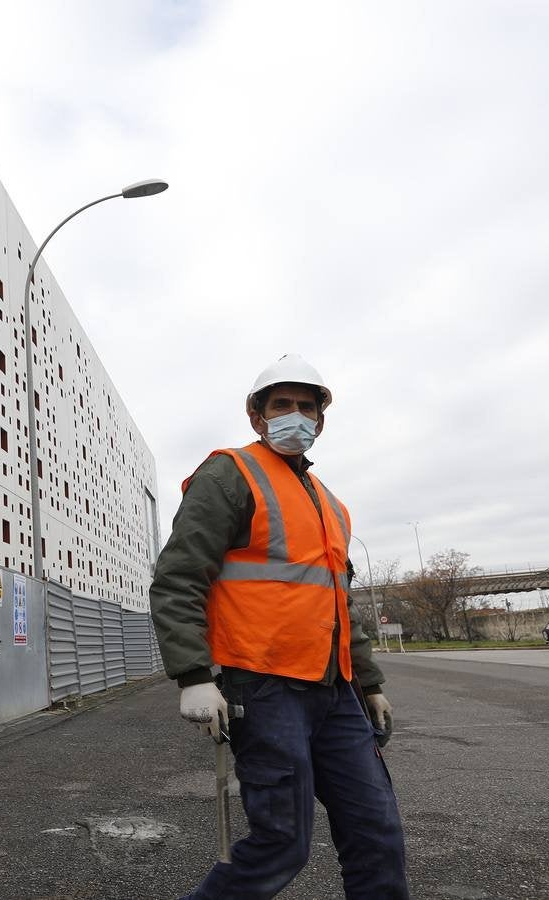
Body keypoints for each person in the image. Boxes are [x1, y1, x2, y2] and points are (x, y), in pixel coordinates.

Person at [150, 354, 409, 899]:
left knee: (377, 832)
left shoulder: (329, 504)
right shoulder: (230, 474)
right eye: (282, 405)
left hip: (336, 693)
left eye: (306, 407)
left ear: (321, 419)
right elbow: (178, 578)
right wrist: (193, 675)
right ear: (257, 417)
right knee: (281, 844)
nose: (296, 416)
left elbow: (339, 605)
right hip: (264, 688)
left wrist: (372, 683)